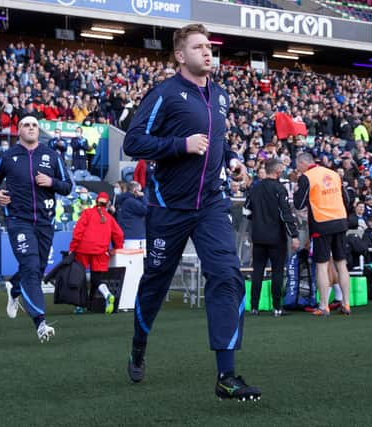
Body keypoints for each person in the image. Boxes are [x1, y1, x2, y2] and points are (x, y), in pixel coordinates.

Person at [123, 24, 260, 401]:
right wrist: (180, 145)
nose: (208, 53)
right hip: (169, 208)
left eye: (210, 47)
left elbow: (219, 138)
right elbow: (134, 142)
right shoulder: (165, 94)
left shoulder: (220, 96)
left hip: (211, 205)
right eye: (199, 47)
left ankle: (226, 375)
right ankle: (139, 344)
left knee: (229, 276)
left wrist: (233, 159)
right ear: (180, 56)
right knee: (154, 284)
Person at [0, 116, 72, 342]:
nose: (31, 128)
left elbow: (67, 186)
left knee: (37, 268)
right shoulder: (7, 157)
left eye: (34, 125)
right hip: (18, 220)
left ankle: (14, 288)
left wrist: (51, 182)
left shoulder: (52, 156)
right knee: (31, 267)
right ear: (18, 130)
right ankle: (40, 322)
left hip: (45, 222)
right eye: (26, 125)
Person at [294, 152, 351, 316]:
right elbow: (346, 198)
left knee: (322, 265)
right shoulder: (333, 173)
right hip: (340, 221)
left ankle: (323, 305)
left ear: (303, 163)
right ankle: (346, 303)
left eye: (298, 166)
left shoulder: (307, 177)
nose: (298, 170)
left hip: (322, 223)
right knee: (341, 263)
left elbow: (298, 204)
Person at [244, 159, 300, 317]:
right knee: (277, 272)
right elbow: (285, 214)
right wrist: (294, 235)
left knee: (257, 271)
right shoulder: (279, 189)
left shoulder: (255, 188)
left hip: (258, 236)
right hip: (276, 237)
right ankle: (277, 307)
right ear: (277, 171)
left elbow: (246, 212)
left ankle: (254, 307)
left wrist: (257, 222)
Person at [69, 192, 124, 314]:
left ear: (96, 201)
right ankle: (106, 294)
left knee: (80, 278)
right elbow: (119, 234)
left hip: (83, 249)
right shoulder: (109, 218)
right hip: (101, 251)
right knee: (96, 279)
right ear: (108, 204)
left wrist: (72, 248)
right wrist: (116, 248)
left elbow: (78, 232)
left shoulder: (87, 213)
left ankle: (80, 306)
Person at [116, 181, 148, 252]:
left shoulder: (125, 199)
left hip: (130, 235)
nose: (141, 192)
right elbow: (146, 210)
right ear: (135, 191)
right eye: (140, 190)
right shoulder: (131, 201)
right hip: (134, 236)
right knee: (135, 260)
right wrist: (143, 197)